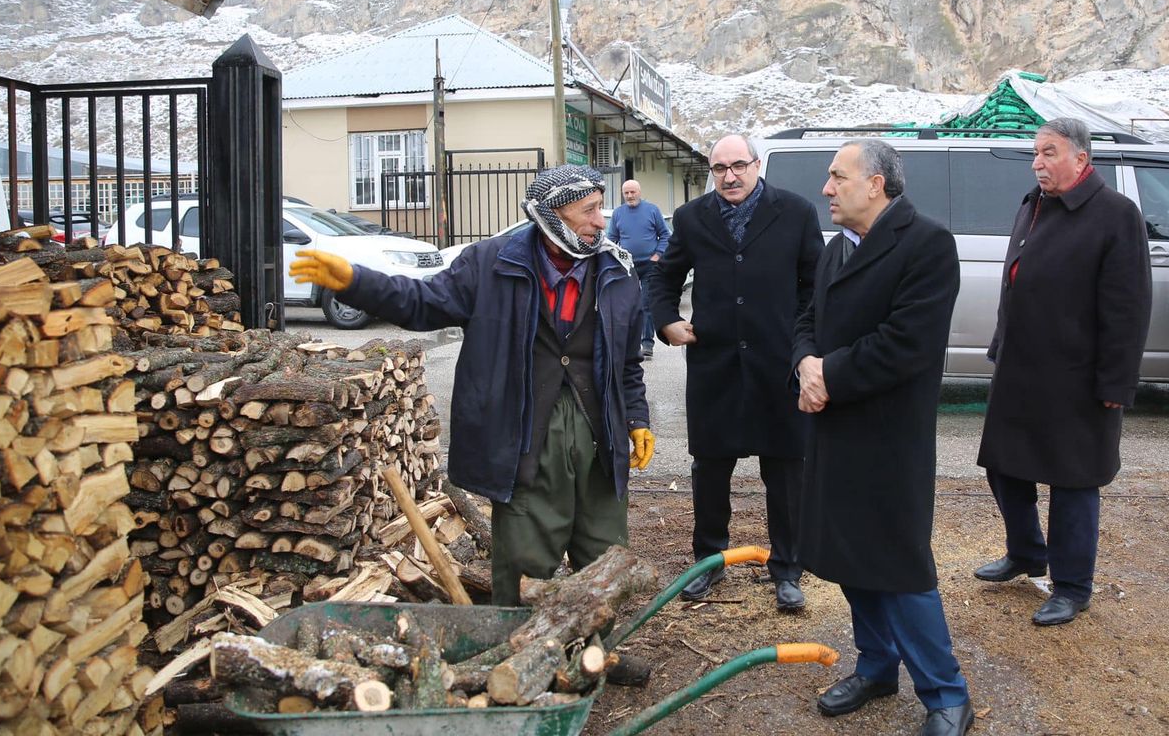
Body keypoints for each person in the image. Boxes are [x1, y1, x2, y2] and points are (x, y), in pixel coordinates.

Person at [289, 165, 656, 683]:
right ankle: (525, 659)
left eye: (602, 207)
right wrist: (355, 281)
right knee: (528, 557)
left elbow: (628, 364)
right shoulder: (490, 263)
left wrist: (637, 418)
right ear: (554, 215)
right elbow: (421, 303)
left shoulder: (616, 269)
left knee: (602, 552)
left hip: (599, 435)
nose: (603, 220)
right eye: (589, 210)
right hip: (524, 435)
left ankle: (597, 653)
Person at [792, 139, 972, 736]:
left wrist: (827, 375)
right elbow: (806, 320)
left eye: (837, 177)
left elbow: (907, 344)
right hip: (835, 427)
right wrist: (805, 365)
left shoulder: (927, 244)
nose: (826, 188)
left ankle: (946, 693)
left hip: (888, 436)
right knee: (849, 555)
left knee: (898, 563)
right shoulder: (835, 249)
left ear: (876, 184)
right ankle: (876, 667)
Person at [974, 117, 1151, 627]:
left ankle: (1072, 586)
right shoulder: (1033, 205)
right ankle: (1027, 552)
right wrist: (1001, 343)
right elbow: (1016, 283)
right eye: (1036, 152)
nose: (1038, 162)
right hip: (1020, 367)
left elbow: (1128, 307)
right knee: (1004, 466)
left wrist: (1117, 381)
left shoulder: (1116, 215)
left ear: (1080, 158)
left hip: (1078, 376)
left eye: (1049, 152)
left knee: (1073, 482)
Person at [648, 133, 823, 611]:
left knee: (787, 470)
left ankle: (787, 569)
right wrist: (666, 322)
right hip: (716, 365)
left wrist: (803, 341)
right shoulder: (691, 218)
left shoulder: (796, 212)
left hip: (778, 364)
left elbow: (815, 283)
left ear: (756, 164)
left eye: (739, 165)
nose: (730, 176)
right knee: (710, 471)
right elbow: (663, 276)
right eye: (720, 168)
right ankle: (709, 562)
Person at [609, 179, 671, 359]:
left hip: (650, 266)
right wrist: (616, 258)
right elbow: (612, 239)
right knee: (629, 305)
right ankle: (630, 344)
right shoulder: (618, 214)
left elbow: (665, 235)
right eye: (626, 193)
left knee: (646, 304)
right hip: (627, 266)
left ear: (639, 192)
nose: (629, 196)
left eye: (632, 192)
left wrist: (658, 255)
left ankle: (647, 344)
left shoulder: (652, 210)